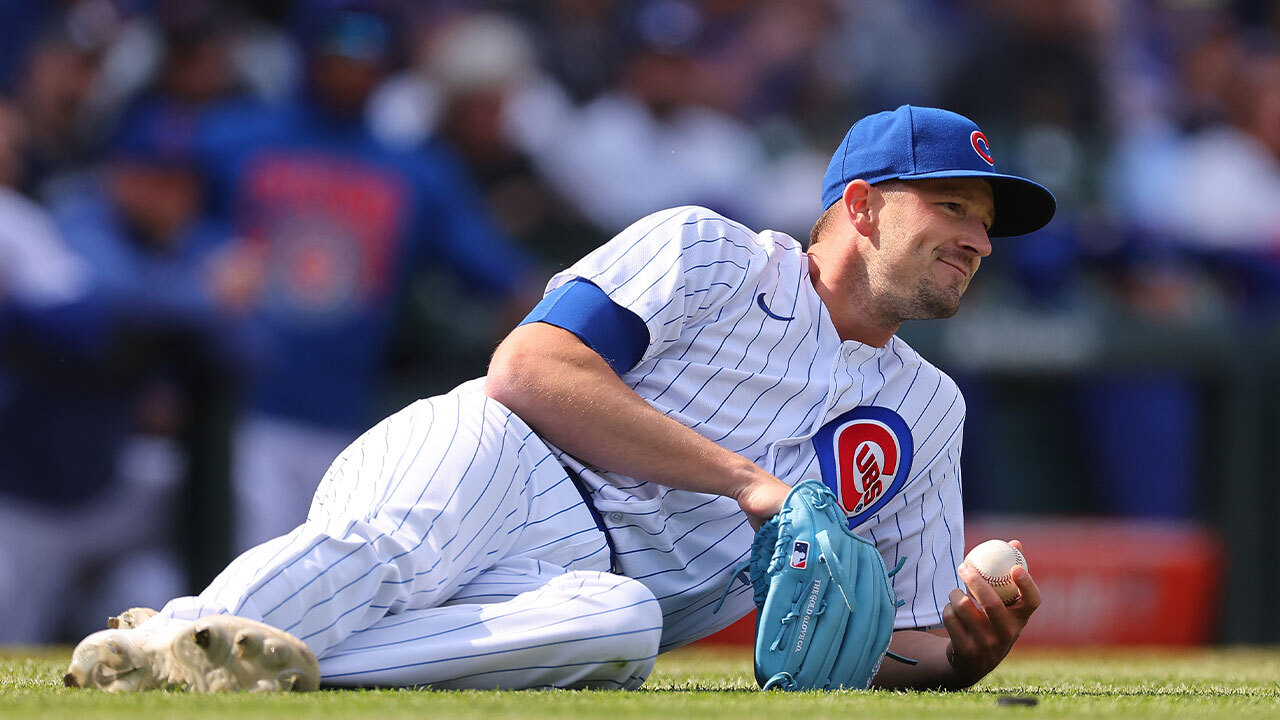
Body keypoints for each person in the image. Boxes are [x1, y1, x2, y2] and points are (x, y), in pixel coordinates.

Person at [64, 105, 1055, 692]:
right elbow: (528, 370)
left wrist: (961, 657)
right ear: (860, 205)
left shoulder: (927, 412)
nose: (975, 237)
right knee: (396, 550)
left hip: (595, 587)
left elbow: (894, 637)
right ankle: (187, 632)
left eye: (986, 224)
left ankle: (248, 659)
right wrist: (748, 484)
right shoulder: (705, 251)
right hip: (504, 456)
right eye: (951, 206)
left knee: (622, 634)